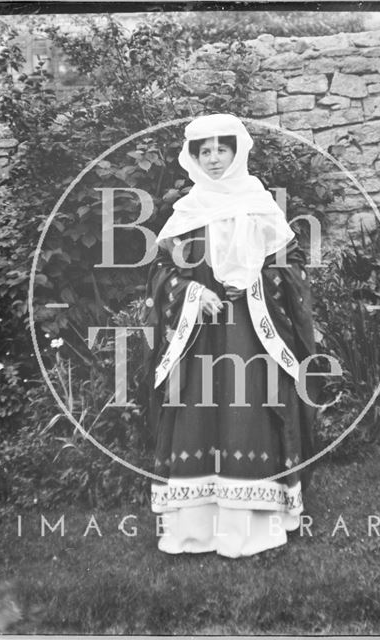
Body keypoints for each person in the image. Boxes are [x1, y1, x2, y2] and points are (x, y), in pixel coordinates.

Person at [142, 113, 319, 558]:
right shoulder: (186, 211)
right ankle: (196, 530)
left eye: (222, 149)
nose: (215, 158)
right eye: (206, 151)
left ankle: (252, 528)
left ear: (237, 152)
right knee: (197, 415)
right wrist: (192, 291)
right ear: (194, 158)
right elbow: (162, 273)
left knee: (250, 416)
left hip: (250, 334)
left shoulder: (260, 204)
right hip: (199, 335)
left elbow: (292, 270)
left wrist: (256, 284)